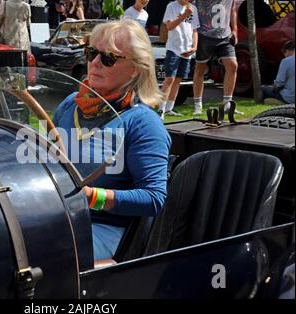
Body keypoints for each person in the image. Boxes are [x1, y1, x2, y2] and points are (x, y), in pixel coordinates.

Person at [53, 19, 171, 260]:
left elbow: (154, 198)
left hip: (107, 230)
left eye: (108, 58)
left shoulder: (142, 122)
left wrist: (91, 197)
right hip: (60, 219)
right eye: (91, 52)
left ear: (136, 68)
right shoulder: (70, 105)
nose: (94, 63)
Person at [193, 0, 242, 116]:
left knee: (232, 65)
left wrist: (234, 28)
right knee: (200, 69)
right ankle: (197, 105)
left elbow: (232, 8)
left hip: (224, 35)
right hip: (204, 34)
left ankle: (227, 103)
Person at [157, 0, 199, 120]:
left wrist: (195, 46)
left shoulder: (193, 8)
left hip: (187, 49)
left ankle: (170, 108)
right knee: (170, 78)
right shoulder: (171, 6)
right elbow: (169, 26)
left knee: (178, 79)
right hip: (174, 48)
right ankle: (161, 109)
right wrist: (184, 15)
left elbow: (195, 30)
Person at [261, 40, 294, 105]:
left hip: (289, 97)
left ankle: (282, 103)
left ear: (287, 51)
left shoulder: (286, 61)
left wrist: (273, 88)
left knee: (262, 88)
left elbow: (279, 83)